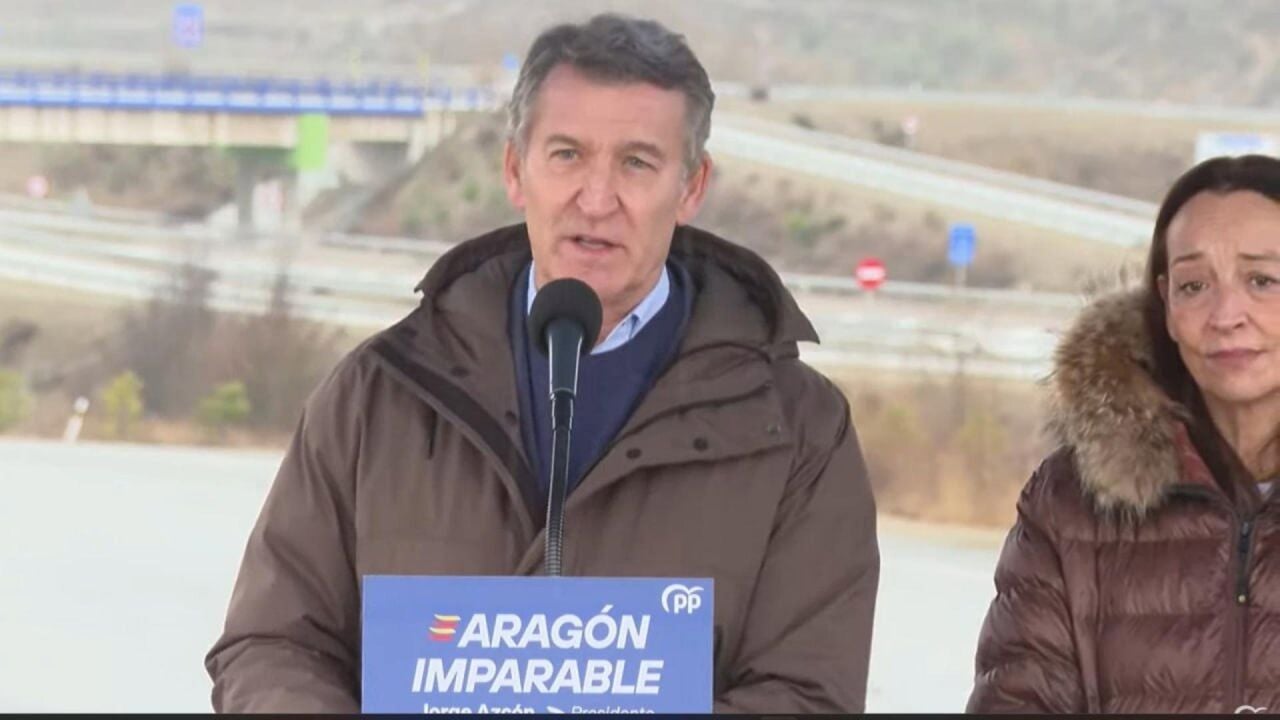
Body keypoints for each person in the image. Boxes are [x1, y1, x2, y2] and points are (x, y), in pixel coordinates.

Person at [206, 13, 879, 714]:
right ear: (514, 170)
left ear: (691, 188)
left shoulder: (796, 430)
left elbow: (808, 694)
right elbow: (271, 644)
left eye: (637, 163)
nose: (597, 199)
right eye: (567, 155)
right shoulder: (379, 395)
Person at [968, 154, 1280, 714]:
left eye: (1262, 280)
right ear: (1166, 304)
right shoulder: (1072, 502)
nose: (1226, 315)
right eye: (1193, 285)